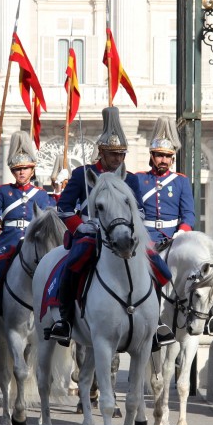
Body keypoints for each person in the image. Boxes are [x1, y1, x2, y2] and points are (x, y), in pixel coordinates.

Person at [47, 106, 173, 347]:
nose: (118, 159)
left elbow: (141, 211)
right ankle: (65, 319)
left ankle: (155, 324)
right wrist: (80, 226)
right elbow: (63, 207)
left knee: (157, 266)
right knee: (73, 263)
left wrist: (127, 225)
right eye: (113, 154)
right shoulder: (83, 174)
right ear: (101, 152)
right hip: (90, 233)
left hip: (122, 233)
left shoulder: (130, 178)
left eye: (121, 154)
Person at [0, 131, 56, 348]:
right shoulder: (3, 191)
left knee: (58, 277)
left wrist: (59, 190)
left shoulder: (41, 195)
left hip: (35, 245)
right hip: (8, 243)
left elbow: (52, 222)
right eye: (17, 169)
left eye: (24, 168)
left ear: (32, 169)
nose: (21, 173)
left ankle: (60, 321)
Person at [136, 115, 195, 246]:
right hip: (145, 236)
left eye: (168, 156)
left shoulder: (181, 181)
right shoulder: (139, 179)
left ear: (172, 159)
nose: (164, 160)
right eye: (160, 155)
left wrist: (182, 231)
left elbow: (188, 213)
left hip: (172, 235)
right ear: (152, 156)